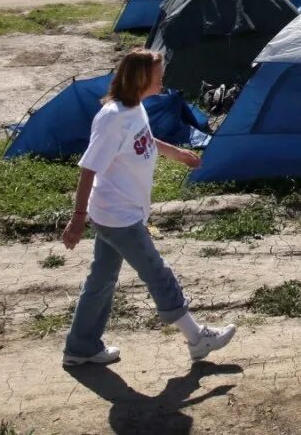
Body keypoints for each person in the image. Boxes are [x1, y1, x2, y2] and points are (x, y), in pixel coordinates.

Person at [61, 49, 236, 366]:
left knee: (100, 281)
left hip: (121, 212)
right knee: (158, 273)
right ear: (142, 77)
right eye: (159, 72)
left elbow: (144, 139)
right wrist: (77, 219)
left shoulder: (134, 108)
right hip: (117, 216)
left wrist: (176, 154)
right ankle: (197, 338)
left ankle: (80, 347)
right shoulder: (112, 119)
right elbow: (88, 168)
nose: (163, 77)